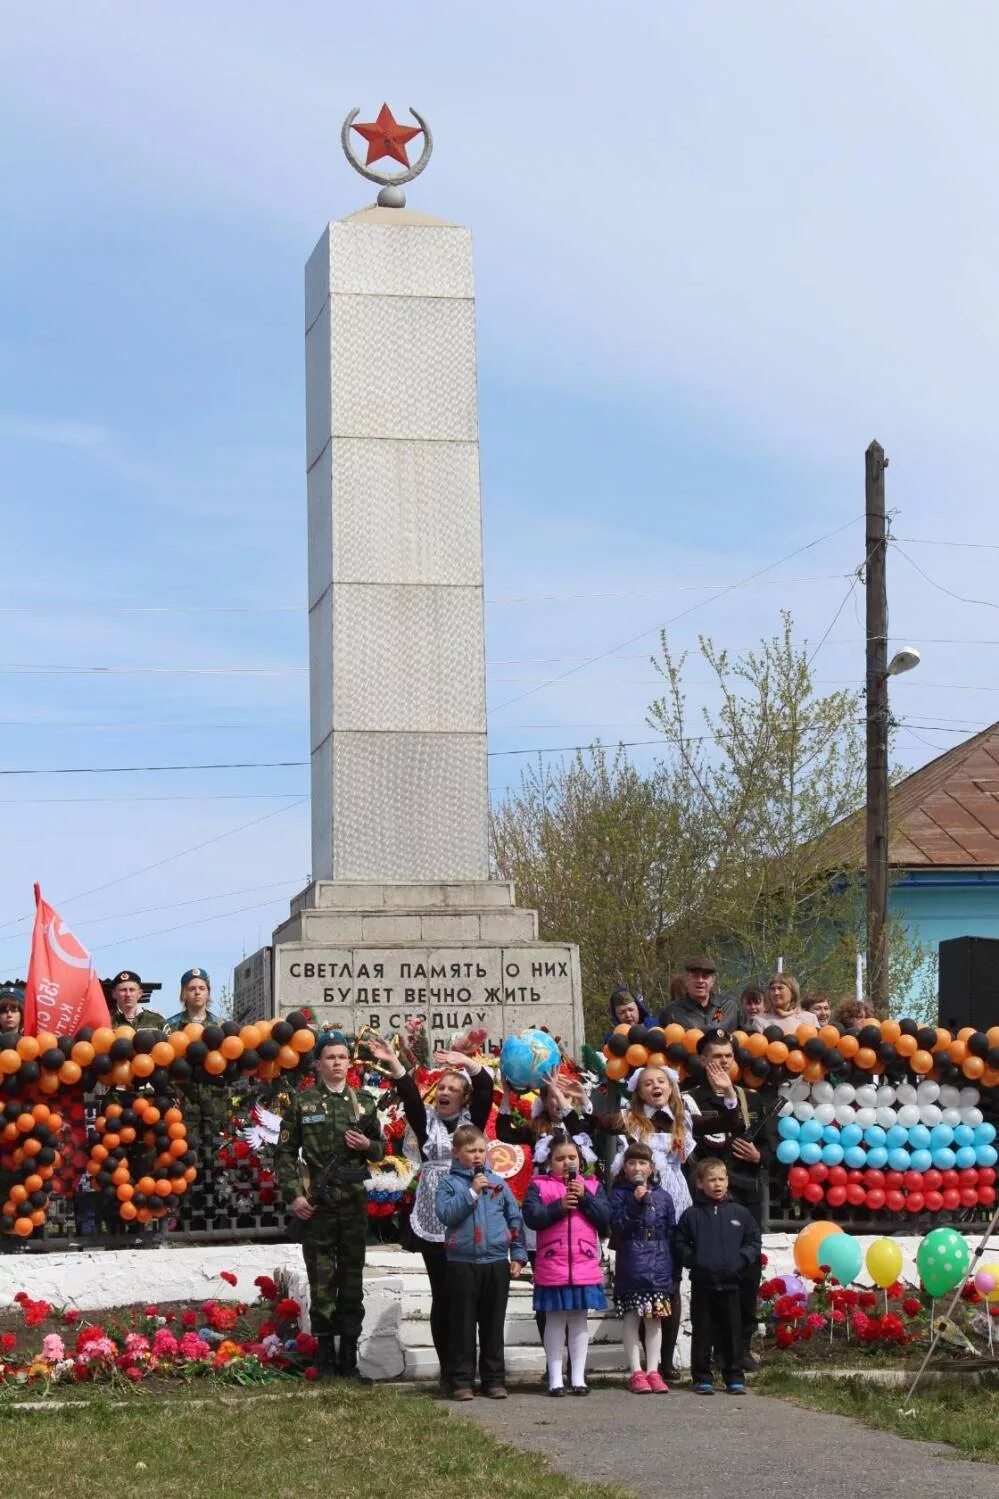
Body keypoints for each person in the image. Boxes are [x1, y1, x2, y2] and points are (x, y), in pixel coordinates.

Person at [365, 1033, 494, 1392]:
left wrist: (466, 1063)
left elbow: (485, 1088)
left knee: (466, 1294)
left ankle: (469, 1369)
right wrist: (393, 1062)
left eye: (453, 1086)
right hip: (434, 1215)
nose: (444, 1090)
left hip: (467, 1212)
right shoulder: (426, 1123)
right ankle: (449, 1371)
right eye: (441, 1085)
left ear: (463, 1098)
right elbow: (408, 1094)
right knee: (442, 1294)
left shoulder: (472, 1123)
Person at [274, 1031, 385, 1380]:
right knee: (322, 1281)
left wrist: (368, 1144)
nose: (337, 1063)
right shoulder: (302, 1103)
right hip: (319, 1205)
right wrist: (295, 1195)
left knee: (351, 1280)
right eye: (330, 1057)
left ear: (349, 1063)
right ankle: (323, 1359)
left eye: (342, 1057)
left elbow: (382, 1151)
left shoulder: (365, 1103)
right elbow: (284, 1154)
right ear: (319, 1063)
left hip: (353, 1203)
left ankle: (349, 1360)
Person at [597, 1065, 697, 1380]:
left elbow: (725, 1122)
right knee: (642, 1282)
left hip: (674, 1201)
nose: (655, 1086)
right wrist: (581, 1103)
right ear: (638, 1091)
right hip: (639, 1208)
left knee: (672, 1284)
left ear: (671, 1087)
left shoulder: (684, 1119)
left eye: (661, 1081)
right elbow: (598, 1122)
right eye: (647, 1083)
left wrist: (727, 1095)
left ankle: (664, 1362)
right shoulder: (631, 1119)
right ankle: (642, 1365)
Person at [686, 1028, 773, 1370]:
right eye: (716, 1056)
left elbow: (771, 1150)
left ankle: (741, 1348)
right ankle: (715, 1350)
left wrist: (757, 1155)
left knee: (747, 1273)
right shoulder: (690, 1098)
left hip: (744, 1198)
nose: (723, 1062)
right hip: (709, 1201)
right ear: (703, 1060)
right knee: (711, 1274)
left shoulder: (751, 1098)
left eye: (728, 1057)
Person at [434, 1123, 528, 1402]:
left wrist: (519, 1255)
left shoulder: (498, 1184)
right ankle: (462, 1381)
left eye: (481, 1150)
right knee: (462, 1324)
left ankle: (494, 1380)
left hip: (496, 1262)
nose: (477, 1156)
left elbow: (514, 1219)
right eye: (470, 1150)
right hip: (462, 1262)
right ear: (456, 1153)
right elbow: (446, 1215)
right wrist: (472, 1192)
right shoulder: (449, 1184)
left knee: (492, 1323)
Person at [522, 1133, 611, 1396]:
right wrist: (558, 1207)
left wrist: (585, 1198)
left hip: (583, 1263)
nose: (566, 1162)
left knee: (579, 1320)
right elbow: (532, 1217)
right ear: (549, 1161)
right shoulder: (538, 1185)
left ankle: (578, 1377)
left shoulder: (593, 1186)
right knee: (555, 1320)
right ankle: (555, 1378)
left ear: (580, 1160)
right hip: (553, 1263)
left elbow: (605, 1218)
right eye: (560, 1158)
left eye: (572, 1157)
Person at [674, 1157, 762, 1395]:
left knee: (732, 1332)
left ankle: (734, 1376)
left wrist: (741, 1259)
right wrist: (695, 1260)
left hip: (733, 1284)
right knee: (702, 1331)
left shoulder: (740, 1214)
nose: (717, 1184)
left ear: (728, 1182)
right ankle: (702, 1377)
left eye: (721, 1179)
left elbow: (753, 1241)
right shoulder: (691, 1215)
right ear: (700, 1183)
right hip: (703, 1283)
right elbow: (680, 1243)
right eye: (711, 1180)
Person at [609, 1141, 675, 1394]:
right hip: (632, 1263)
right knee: (632, 1317)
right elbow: (617, 1226)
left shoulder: (663, 1197)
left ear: (651, 1167)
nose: (637, 1167)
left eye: (642, 1162)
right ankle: (636, 1370)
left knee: (654, 1320)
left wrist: (672, 1267)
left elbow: (670, 1231)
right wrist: (635, 1204)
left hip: (659, 1264)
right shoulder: (618, 1195)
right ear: (624, 1167)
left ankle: (653, 1370)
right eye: (632, 1162)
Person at [659, 956, 745, 1033]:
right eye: (695, 976)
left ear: (712, 981)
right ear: (686, 980)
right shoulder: (672, 1013)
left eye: (705, 976)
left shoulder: (729, 1007)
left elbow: (748, 1038)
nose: (700, 981)